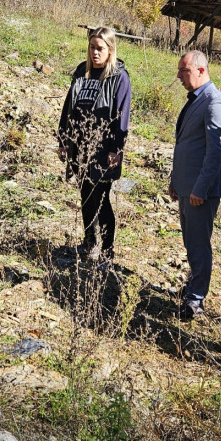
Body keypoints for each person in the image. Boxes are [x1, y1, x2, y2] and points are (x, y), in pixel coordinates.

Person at [57, 27, 132, 264]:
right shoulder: (82, 72)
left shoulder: (119, 77)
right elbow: (68, 106)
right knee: (86, 196)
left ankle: (108, 250)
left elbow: (122, 115)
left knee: (101, 198)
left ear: (110, 50)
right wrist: (63, 139)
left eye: (100, 48)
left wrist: (115, 150)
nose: (95, 53)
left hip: (103, 149)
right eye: (92, 47)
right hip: (79, 146)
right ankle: (89, 244)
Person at [168, 50, 221, 320]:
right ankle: (192, 288)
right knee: (190, 241)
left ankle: (195, 300)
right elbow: (187, 144)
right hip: (187, 186)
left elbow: (215, 152)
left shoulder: (215, 102)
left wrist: (200, 188)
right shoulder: (197, 99)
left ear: (201, 71)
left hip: (200, 191)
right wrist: (175, 179)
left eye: (184, 71)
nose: (179, 76)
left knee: (198, 244)